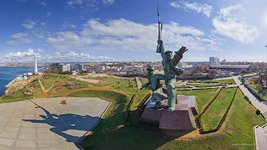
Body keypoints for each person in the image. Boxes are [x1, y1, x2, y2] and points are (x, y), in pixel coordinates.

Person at [158, 40, 187, 111]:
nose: (170, 56)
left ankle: (172, 105)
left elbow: (176, 58)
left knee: (170, 86)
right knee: (154, 76)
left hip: (171, 78)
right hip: (165, 77)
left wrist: (180, 53)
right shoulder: (164, 62)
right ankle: (155, 93)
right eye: (168, 55)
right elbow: (162, 52)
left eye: (171, 55)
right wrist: (161, 44)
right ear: (165, 56)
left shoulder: (172, 62)